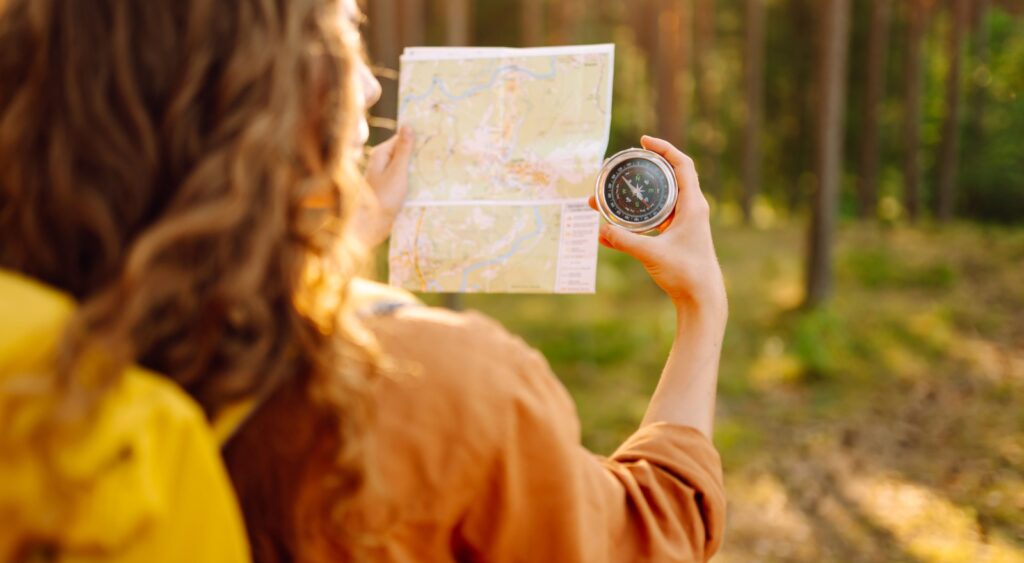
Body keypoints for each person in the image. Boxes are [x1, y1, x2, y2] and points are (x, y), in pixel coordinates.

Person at [0, 0, 728, 561]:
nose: (371, 91)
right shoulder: (445, 395)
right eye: (343, 32)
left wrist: (334, 248)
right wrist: (702, 309)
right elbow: (649, 534)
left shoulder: (34, 376)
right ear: (294, 102)